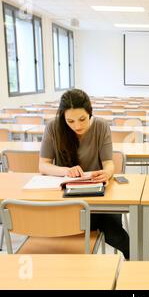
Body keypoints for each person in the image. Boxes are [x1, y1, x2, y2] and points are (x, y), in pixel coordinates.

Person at [39, 89, 130, 259]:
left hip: (98, 198)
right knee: (110, 231)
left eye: (82, 119)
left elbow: (109, 164)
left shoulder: (101, 126)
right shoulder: (53, 127)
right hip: (64, 199)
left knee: (116, 233)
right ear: (63, 118)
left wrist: (107, 173)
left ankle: (138, 270)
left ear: (90, 113)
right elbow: (43, 166)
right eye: (70, 121)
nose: (77, 126)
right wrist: (66, 171)